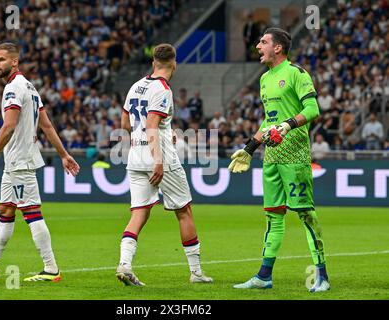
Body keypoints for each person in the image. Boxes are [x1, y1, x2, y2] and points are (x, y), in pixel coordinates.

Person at [0, 43, 80, 282]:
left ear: (14, 61)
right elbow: (46, 126)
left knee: (32, 212)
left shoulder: (14, 88)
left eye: (2, 59)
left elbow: (9, 126)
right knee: (5, 210)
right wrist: (64, 155)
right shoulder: (30, 87)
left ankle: (51, 268)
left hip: (19, 161)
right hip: (17, 162)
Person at [228, 28, 330, 292]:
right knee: (273, 216)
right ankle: (264, 276)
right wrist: (250, 147)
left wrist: (287, 125)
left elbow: (312, 109)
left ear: (278, 48)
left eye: (263, 42)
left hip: (294, 155)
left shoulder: (296, 73)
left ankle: (322, 276)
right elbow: (268, 120)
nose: (258, 46)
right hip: (271, 155)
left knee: (305, 214)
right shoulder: (264, 79)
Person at [116, 43, 212, 286]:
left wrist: (158, 132)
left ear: (153, 63)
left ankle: (125, 264)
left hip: (135, 156)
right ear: (174, 63)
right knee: (184, 210)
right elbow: (151, 124)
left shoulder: (136, 86)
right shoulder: (162, 89)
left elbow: (125, 124)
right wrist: (158, 159)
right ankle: (196, 272)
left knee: (139, 212)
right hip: (160, 158)